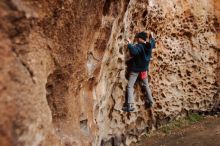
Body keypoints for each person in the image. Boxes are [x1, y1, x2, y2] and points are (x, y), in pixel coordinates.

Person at [123, 31, 156, 112]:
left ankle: (130, 106)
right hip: (144, 70)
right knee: (146, 85)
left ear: (141, 39)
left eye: (137, 38)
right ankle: (151, 102)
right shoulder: (149, 45)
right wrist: (151, 37)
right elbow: (153, 42)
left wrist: (129, 44)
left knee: (130, 86)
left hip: (136, 70)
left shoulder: (140, 46)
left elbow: (134, 52)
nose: (136, 39)